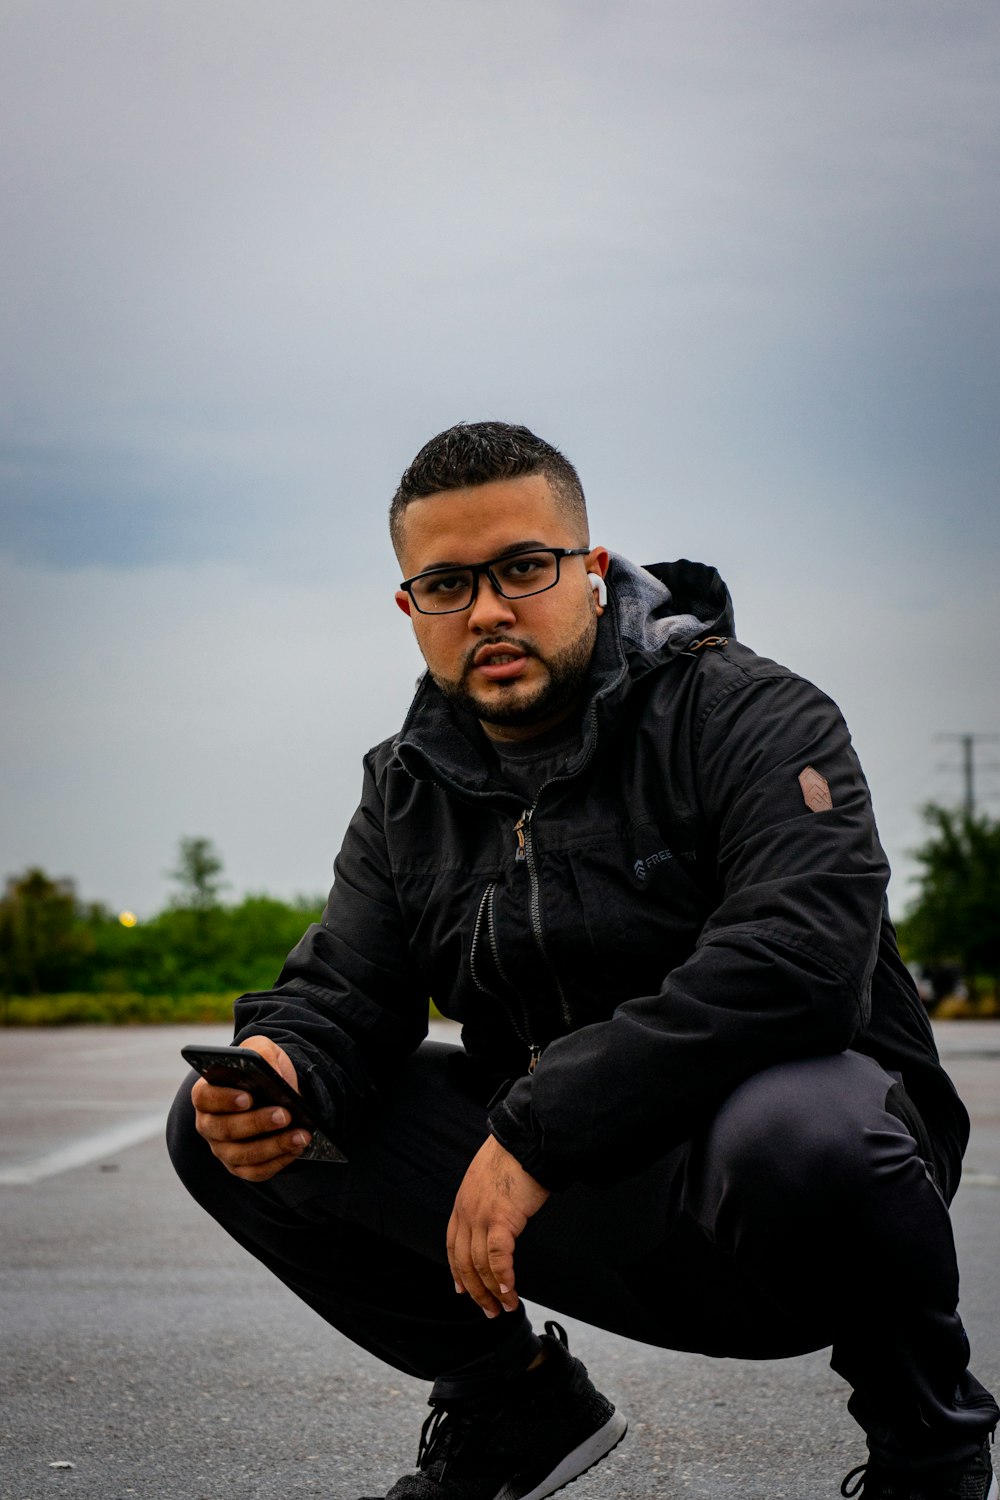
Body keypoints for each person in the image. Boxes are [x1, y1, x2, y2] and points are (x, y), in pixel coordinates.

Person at [168, 421, 998, 1500]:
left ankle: (926, 1449)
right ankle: (514, 1406)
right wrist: (284, 1066)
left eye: (523, 567)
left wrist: (536, 1127)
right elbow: (345, 989)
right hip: (571, 1198)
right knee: (226, 1125)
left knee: (812, 1123)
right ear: (408, 607)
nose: (489, 609)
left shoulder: (748, 713)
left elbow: (799, 962)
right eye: (446, 584)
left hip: (781, 1202)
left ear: (592, 573)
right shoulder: (408, 786)